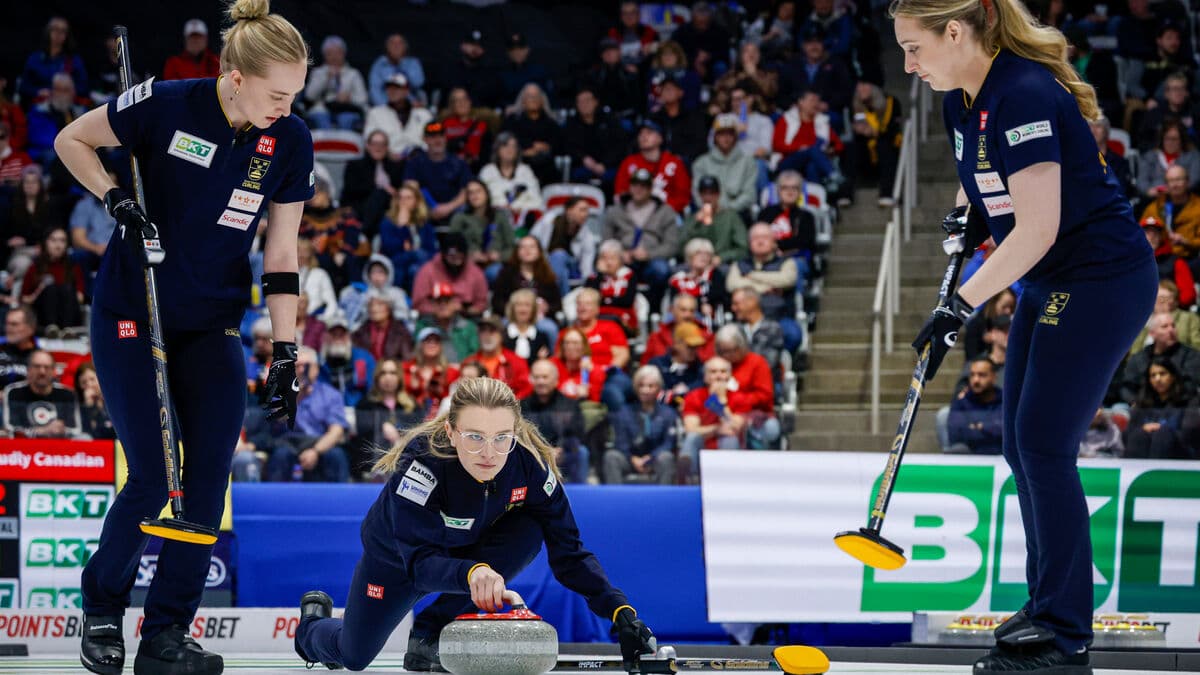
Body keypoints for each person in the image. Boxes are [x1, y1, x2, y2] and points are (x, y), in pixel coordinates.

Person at [894, 0, 1159, 669]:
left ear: (955, 32)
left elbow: (1038, 227)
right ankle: (1047, 607)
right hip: (1051, 278)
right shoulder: (961, 101)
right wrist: (965, 221)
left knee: (1043, 445)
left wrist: (959, 305)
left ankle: (1064, 634)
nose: (909, 64)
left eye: (914, 47)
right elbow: (982, 184)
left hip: (1101, 278)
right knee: (1022, 443)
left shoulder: (1025, 94)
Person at [55, 0, 314, 671]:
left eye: (294, 95)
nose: (286, 107)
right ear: (235, 75)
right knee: (151, 475)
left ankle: (167, 631)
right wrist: (114, 198)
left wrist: (286, 349)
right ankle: (103, 606)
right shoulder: (166, 102)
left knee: (206, 482)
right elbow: (71, 140)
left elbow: (282, 253)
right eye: (276, 94)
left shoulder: (289, 139)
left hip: (212, 317)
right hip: (133, 308)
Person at [293, 376, 657, 670]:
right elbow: (419, 564)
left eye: (502, 438)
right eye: (474, 437)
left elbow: (570, 553)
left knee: (531, 530)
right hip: (398, 560)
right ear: (451, 432)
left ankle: (429, 634)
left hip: (468, 552)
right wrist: (472, 572)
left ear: (515, 433)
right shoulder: (422, 464)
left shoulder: (529, 466)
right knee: (354, 656)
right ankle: (310, 627)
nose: (488, 453)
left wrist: (619, 611)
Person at [265, 346, 350, 483]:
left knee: (336, 456)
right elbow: (279, 419)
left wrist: (315, 451)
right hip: (289, 443)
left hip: (319, 442)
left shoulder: (330, 395)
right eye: (297, 366)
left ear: (316, 368)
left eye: (306, 366)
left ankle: (339, 496)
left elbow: (336, 431)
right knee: (280, 455)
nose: (301, 370)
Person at [601, 167, 679, 312]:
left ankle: (654, 312)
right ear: (629, 186)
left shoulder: (665, 211)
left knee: (661, 269)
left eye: (643, 186)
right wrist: (619, 254)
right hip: (622, 260)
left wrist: (649, 254)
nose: (638, 189)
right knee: (605, 267)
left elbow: (672, 245)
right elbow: (606, 240)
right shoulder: (615, 211)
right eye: (635, 185)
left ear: (650, 189)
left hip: (651, 259)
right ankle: (615, 310)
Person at [727, 224, 803, 353]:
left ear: (774, 242)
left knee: (793, 335)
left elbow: (786, 280)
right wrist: (766, 287)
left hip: (779, 318)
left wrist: (752, 276)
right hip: (744, 320)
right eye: (756, 238)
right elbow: (732, 284)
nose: (760, 241)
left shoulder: (787, 262)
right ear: (749, 243)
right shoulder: (739, 264)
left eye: (765, 237)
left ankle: (782, 362)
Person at [605, 365, 679, 484]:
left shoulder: (668, 413)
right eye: (641, 385)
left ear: (659, 388)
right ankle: (614, 495)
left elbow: (668, 443)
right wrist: (633, 459)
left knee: (666, 457)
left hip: (656, 459)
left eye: (650, 386)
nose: (645, 390)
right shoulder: (624, 412)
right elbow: (620, 441)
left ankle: (664, 495)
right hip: (630, 459)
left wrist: (651, 457)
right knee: (612, 456)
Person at [679, 356, 750, 480]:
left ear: (729, 375)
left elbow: (734, 428)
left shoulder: (740, 398)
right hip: (701, 446)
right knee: (692, 438)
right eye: (713, 372)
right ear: (705, 376)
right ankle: (688, 479)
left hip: (729, 446)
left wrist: (721, 401)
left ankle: (728, 481)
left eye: (723, 371)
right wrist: (716, 429)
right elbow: (691, 429)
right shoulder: (693, 396)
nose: (718, 376)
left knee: (730, 439)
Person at [352, 358, 422, 478]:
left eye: (392, 373)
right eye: (383, 373)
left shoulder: (412, 404)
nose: (388, 377)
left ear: (399, 377)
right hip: (372, 466)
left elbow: (418, 434)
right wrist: (382, 425)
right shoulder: (365, 404)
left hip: (405, 466)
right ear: (377, 378)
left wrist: (398, 434)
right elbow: (362, 434)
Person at [522, 359, 589, 483]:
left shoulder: (570, 405)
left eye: (545, 377)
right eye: (536, 377)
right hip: (533, 456)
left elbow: (577, 435)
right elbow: (519, 437)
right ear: (531, 380)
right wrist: (543, 452)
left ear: (556, 380)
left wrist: (560, 450)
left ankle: (579, 492)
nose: (540, 381)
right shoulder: (522, 406)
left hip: (563, 455)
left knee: (582, 452)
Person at [1123, 355, 1198, 459]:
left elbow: (1189, 435)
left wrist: (1161, 429)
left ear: (1173, 376)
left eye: (1162, 374)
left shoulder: (1189, 401)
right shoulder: (1141, 403)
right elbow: (1127, 435)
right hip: (1144, 450)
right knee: (1139, 435)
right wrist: (1143, 429)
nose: (1157, 379)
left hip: (1179, 455)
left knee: (1163, 435)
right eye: (1153, 375)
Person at [1116, 311, 1200, 404]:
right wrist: (1137, 403)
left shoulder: (1191, 355)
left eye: (1173, 326)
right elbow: (1127, 387)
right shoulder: (1139, 358)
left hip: (1180, 405)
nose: (1171, 330)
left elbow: (1191, 385)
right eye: (1164, 327)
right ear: (1152, 333)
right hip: (1144, 406)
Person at [614, 121, 691, 213]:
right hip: (635, 214)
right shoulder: (629, 163)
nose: (643, 136)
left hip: (667, 214)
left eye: (649, 132)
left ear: (660, 138)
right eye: (641, 133)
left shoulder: (674, 162)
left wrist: (660, 209)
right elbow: (620, 194)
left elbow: (683, 197)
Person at [2, 349, 82, 438]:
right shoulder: (14, 392)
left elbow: (76, 430)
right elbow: (10, 429)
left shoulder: (67, 394)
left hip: (59, 444)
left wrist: (62, 430)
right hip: (24, 445)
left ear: (54, 371)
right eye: (37, 366)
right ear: (28, 369)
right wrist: (40, 431)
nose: (42, 372)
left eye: (47, 367)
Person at [21, 226, 85, 335]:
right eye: (53, 240)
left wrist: (63, 293)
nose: (58, 245)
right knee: (50, 289)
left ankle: (67, 330)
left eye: (62, 241)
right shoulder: (35, 267)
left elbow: (80, 297)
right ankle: (51, 329)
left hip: (68, 313)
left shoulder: (73, 267)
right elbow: (25, 299)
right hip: (42, 316)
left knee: (66, 288)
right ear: (45, 243)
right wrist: (41, 290)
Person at [403, 122, 471, 224]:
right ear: (425, 139)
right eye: (432, 137)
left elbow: (465, 191)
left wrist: (448, 208)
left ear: (445, 138)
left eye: (441, 136)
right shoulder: (415, 163)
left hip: (454, 210)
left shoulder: (459, 162)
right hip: (424, 210)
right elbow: (410, 188)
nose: (437, 140)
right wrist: (430, 209)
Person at [449, 179, 516, 281]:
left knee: (496, 272)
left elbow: (512, 245)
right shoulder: (459, 218)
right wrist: (469, 255)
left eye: (478, 191)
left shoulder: (500, 215)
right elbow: (451, 246)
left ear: (487, 193)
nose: (475, 195)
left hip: (496, 263)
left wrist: (500, 256)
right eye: (471, 193)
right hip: (468, 264)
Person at [850, 80, 904, 207]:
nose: (861, 89)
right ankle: (846, 194)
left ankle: (887, 192)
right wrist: (861, 130)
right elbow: (858, 125)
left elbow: (893, 128)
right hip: (867, 147)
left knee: (885, 146)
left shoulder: (890, 102)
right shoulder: (857, 104)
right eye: (859, 86)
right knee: (851, 148)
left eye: (865, 85)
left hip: (887, 142)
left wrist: (875, 131)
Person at [691, 116, 758, 215]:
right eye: (721, 134)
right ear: (715, 137)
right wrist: (711, 209)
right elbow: (697, 193)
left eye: (730, 134)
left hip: (737, 213)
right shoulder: (701, 163)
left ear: (735, 137)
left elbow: (749, 194)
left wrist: (727, 210)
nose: (726, 138)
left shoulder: (748, 162)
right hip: (708, 212)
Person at [563, 86, 627, 189]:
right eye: (580, 101)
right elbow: (569, 146)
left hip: (608, 166)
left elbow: (620, 145)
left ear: (596, 102)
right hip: (582, 166)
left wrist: (604, 164)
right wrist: (584, 158)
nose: (584, 104)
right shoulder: (571, 124)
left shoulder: (610, 120)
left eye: (587, 100)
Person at [411, 232, 489, 317]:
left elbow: (481, 302)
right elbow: (418, 303)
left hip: (465, 317)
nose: (456, 261)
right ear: (444, 255)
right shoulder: (427, 271)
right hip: (433, 318)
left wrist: (466, 310)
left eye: (460, 256)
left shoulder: (476, 273)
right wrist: (441, 310)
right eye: (452, 256)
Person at [340, 129, 406, 229]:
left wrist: (394, 192)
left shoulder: (395, 167)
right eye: (375, 144)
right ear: (368, 146)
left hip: (388, 208)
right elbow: (351, 189)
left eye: (382, 144)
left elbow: (400, 188)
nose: (378, 148)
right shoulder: (354, 165)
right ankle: (365, 232)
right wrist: (381, 188)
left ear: (387, 147)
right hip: (361, 206)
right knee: (380, 195)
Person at [491, 236, 562, 328]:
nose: (527, 250)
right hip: (512, 318)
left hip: (540, 319)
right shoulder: (506, 273)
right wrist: (513, 308)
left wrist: (547, 307)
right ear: (517, 251)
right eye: (523, 247)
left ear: (539, 252)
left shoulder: (547, 275)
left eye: (532, 247)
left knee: (549, 328)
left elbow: (557, 304)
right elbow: (496, 301)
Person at [378, 183, 438, 292]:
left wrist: (410, 249)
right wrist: (402, 226)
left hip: (419, 263)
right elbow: (389, 248)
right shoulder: (388, 222)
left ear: (416, 202)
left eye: (408, 198)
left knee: (415, 267)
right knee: (414, 258)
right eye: (400, 198)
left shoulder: (424, 223)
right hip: (396, 262)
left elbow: (431, 249)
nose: (403, 201)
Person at [535, 196, 598, 296]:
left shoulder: (586, 234)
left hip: (573, 267)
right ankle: (563, 298)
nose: (586, 214)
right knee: (561, 270)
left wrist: (587, 283)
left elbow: (587, 262)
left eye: (587, 211)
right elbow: (533, 240)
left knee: (559, 256)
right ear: (569, 210)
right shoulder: (549, 221)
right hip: (546, 263)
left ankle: (552, 295)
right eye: (582, 210)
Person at [19, 16, 88, 107]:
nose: (58, 34)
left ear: (67, 35)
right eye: (55, 29)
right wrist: (38, 91)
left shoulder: (73, 60)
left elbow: (83, 87)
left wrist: (68, 91)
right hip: (40, 105)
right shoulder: (35, 58)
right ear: (48, 31)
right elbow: (23, 87)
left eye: (63, 31)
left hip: (67, 106)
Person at [680, 175, 749, 266]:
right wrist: (695, 223)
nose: (708, 197)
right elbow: (680, 247)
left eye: (712, 193)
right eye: (704, 193)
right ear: (700, 195)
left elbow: (743, 249)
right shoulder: (693, 218)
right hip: (695, 264)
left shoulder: (731, 217)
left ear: (718, 194)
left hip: (723, 264)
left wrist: (722, 257)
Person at [1140, 165, 1200, 267]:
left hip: (1189, 258)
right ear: (1166, 184)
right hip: (1159, 259)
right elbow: (1141, 234)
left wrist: (1186, 242)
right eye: (1170, 181)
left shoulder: (1198, 207)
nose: (1175, 185)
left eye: (1178, 180)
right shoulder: (1155, 207)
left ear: (1187, 182)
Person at [303, 35, 368, 130]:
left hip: (347, 109)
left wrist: (349, 98)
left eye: (337, 53)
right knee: (320, 118)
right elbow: (310, 96)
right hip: (322, 110)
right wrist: (326, 78)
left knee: (346, 119)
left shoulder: (353, 74)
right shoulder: (318, 73)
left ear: (344, 53)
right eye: (330, 54)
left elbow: (363, 99)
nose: (334, 57)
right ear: (324, 55)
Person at [363, 74, 431, 161]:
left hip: (420, 160)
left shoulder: (423, 114)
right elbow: (369, 140)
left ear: (406, 91)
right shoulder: (375, 113)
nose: (392, 91)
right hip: (388, 161)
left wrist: (421, 151)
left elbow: (432, 139)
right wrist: (387, 153)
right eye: (389, 88)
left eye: (397, 88)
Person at [945, 357, 1004, 454]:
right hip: (970, 457)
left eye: (982, 375)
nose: (976, 380)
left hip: (1001, 457)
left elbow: (1007, 432)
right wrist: (991, 427)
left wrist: (979, 426)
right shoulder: (961, 402)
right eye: (972, 375)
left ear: (994, 377)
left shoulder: (1005, 401)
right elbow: (955, 435)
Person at [465, 315, 532, 399]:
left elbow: (526, 389)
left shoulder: (517, 362)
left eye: (492, 330)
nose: (487, 335)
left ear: (502, 335)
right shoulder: (469, 362)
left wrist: (510, 403)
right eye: (483, 330)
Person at [479, 132, 544, 217]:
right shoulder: (487, 171)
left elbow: (538, 201)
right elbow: (481, 201)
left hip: (523, 216)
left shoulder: (526, 171)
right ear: (497, 149)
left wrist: (518, 208)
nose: (510, 149)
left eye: (514, 146)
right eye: (505, 145)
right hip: (494, 216)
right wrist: (502, 208)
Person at [402, 327, 461, 418]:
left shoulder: (451, 372)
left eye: (436, 341)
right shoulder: (408, 369)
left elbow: (454, 399)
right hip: (411, 415)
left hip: (441, 417)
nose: (432, 344)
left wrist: (442, 390)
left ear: (441, 346)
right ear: (420, 345)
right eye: (428, 341)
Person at [319, 313, 376, 406]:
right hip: (327, 409)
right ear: (326, 337)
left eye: (342, 334)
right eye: (334, 334)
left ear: (349, 336)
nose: (338, 339)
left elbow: (371, 388)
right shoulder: (319, 363)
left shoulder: (363, 358)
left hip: (359, 408)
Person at [413, 282, 479, 363]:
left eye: (447, 301)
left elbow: (475, 354)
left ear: (454, 304)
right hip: (431, 368)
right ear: (432, 304)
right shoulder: (423, 325)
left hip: (462, 369)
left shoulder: (468, 327)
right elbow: (416, 353)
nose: (443, 305)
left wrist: (463, 367)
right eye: (439, 301)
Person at [1129, 279, 1200, 353]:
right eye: (1157, 298)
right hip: (1143, 359)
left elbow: (1197, 347)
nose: (1160, 302)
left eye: (1165, 299)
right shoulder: (1143, 320)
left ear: (1175, 301)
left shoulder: (1189, 319)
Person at [669, 237, 729, 323]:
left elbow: (718, 296)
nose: (703, 257)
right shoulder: (679, 279)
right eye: (698, 253)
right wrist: (700, 304)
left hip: (708, 318)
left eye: (707, 254)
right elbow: (675, 301)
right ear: (690, 256)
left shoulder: (715, 275)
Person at [586, 239, 639, 334]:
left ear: (620, 260)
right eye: (604, 258)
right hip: (597, 317)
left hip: (623, 319)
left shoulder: (630, 275)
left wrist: (605, 300)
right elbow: (591, 299)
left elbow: (627, 301)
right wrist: (600, 275)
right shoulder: (594, 278)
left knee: (611, 321)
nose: (608, 263)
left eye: (612, 258)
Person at [647, 320, 707, 404]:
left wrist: (687, 389)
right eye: (690, 346)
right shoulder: (657, 364)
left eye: (696, 346)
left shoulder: (701, 368)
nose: (694, 350)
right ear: (676, 344)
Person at [1136, 121, 1200, 200]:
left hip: (1184, 200)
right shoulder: (1149, 157)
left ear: (1182, 140)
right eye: (1167, 138)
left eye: (1174, 139)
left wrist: (1172, 190)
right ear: (1162, 139)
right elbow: (1141, 181)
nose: (1170, 142)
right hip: (1153, 200)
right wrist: (1149, 191)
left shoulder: (1193, 156)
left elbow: (1194, 180)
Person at [730, 287, 785, 374]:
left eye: (736, 304)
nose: (733, 308)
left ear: (752, 302)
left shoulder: (773, 329)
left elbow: (768, 363)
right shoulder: (734, 329)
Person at [368, 33, 426, 107]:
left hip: (410, 104)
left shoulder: (412, 63)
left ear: (405, 47)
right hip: (385, 104)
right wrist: (385, 106)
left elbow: (418, 83)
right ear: (387, 47)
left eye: (400, 43)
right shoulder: (380, 64)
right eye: (392, 43)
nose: (396, 46)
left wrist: (401, 64)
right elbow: (375, 89)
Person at [439, 88, 491, 170]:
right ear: (452, 105)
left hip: (476, 168)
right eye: (457, 100)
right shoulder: (444, 125)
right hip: (450, 168)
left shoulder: (481, 125)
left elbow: (488, 152)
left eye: (464, 99)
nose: (461, 103)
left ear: (470, 102)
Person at [352, 292, 413, 362]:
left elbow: (407, 358)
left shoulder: (401, 332)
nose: (374, 309)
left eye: (380, 304)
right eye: (370, 305)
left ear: (389, 308)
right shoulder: (360, 332)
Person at [503, 288, 554, 366]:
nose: (523, 309)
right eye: (519, 305)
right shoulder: (502, 335)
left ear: (533, 309)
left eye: (527, 305)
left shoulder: (541, 338)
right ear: (512, 308)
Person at [0, 305, 39, 388]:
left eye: (14, 324)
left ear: (30, 328)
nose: (8, 328)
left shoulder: (41, 358)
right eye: (7, 324)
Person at [75, 361, 115, 440]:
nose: (89, 385)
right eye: (84, 382)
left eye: (92, 379)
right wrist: (88, 406)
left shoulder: (112, 402)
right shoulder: (78, 405)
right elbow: (86, 432)